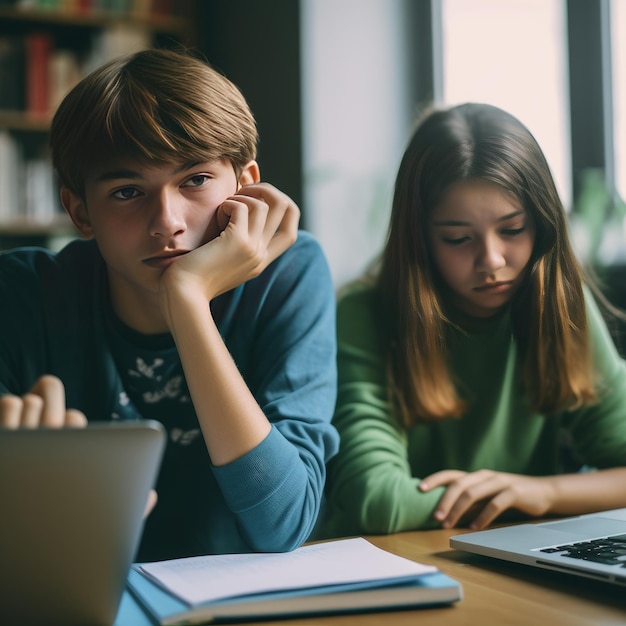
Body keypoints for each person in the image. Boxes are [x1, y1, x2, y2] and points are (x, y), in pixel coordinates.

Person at [0, 48, 339, 560]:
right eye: (127, 191)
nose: (168, 221)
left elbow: (282, 522)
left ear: (246, 186)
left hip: (239, 605)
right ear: (79, 212)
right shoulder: (24, 293)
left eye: (195, 180)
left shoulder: (287, 276)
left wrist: (187, 300)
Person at [318, 102, 626, 539]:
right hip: (393, 567)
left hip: (510, 564)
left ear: (541, 224)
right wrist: (514, 499)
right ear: (420, 239)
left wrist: (543, 492)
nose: (492, 260)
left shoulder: (558, 301)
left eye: (513, 230)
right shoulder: (364, 313)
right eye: (458, 239)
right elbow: (378, 502)